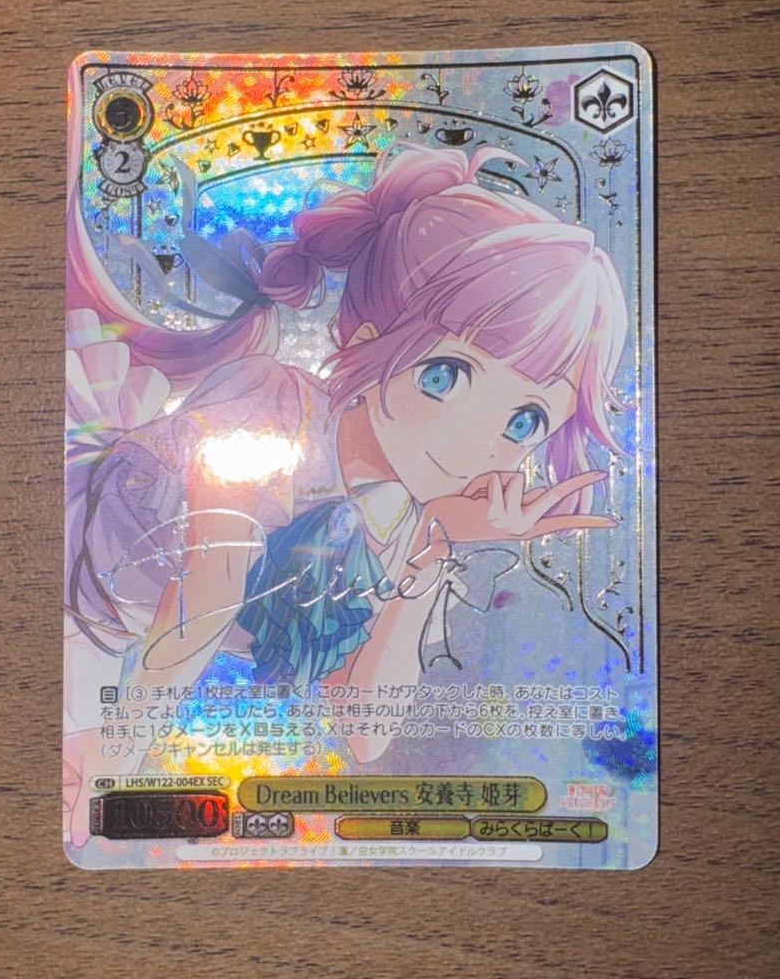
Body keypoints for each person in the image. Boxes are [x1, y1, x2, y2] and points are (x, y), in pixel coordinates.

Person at [63, 141, 627, 847]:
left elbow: (364, 728)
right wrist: (116, 752)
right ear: (366, 341)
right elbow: (208, 595)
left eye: (524, 421)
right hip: (72, 597)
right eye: (446, 376)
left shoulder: (409, 522)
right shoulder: (272, 404)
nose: (474, 444)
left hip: (123, 646)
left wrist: (437, 546)